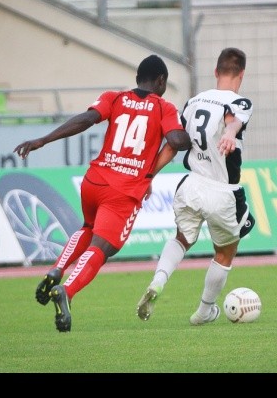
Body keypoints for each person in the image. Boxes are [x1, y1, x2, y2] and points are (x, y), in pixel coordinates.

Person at [13, 54, 191, 332]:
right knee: (102, 247)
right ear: (161, 81)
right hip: (123, 190)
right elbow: (177, 141)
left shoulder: (115, 98)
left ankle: (57, 269)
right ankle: (67, 291)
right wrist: (184, 133)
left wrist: (43, 140)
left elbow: (85, 120)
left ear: (136, 80)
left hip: (94, 181)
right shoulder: (162, 107)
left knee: (88, 227)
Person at [136, 47, 255, 325]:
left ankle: (158, 281)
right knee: (225, 251)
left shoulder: (193, 102)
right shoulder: (241, 102)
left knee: (181, 238)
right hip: (221, 190)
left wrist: (148, 176)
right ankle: (204, 311)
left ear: (216, 72)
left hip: (190, 186)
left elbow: (173, 143)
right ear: (242, 74)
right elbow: (232, 119)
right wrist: (229, 132)